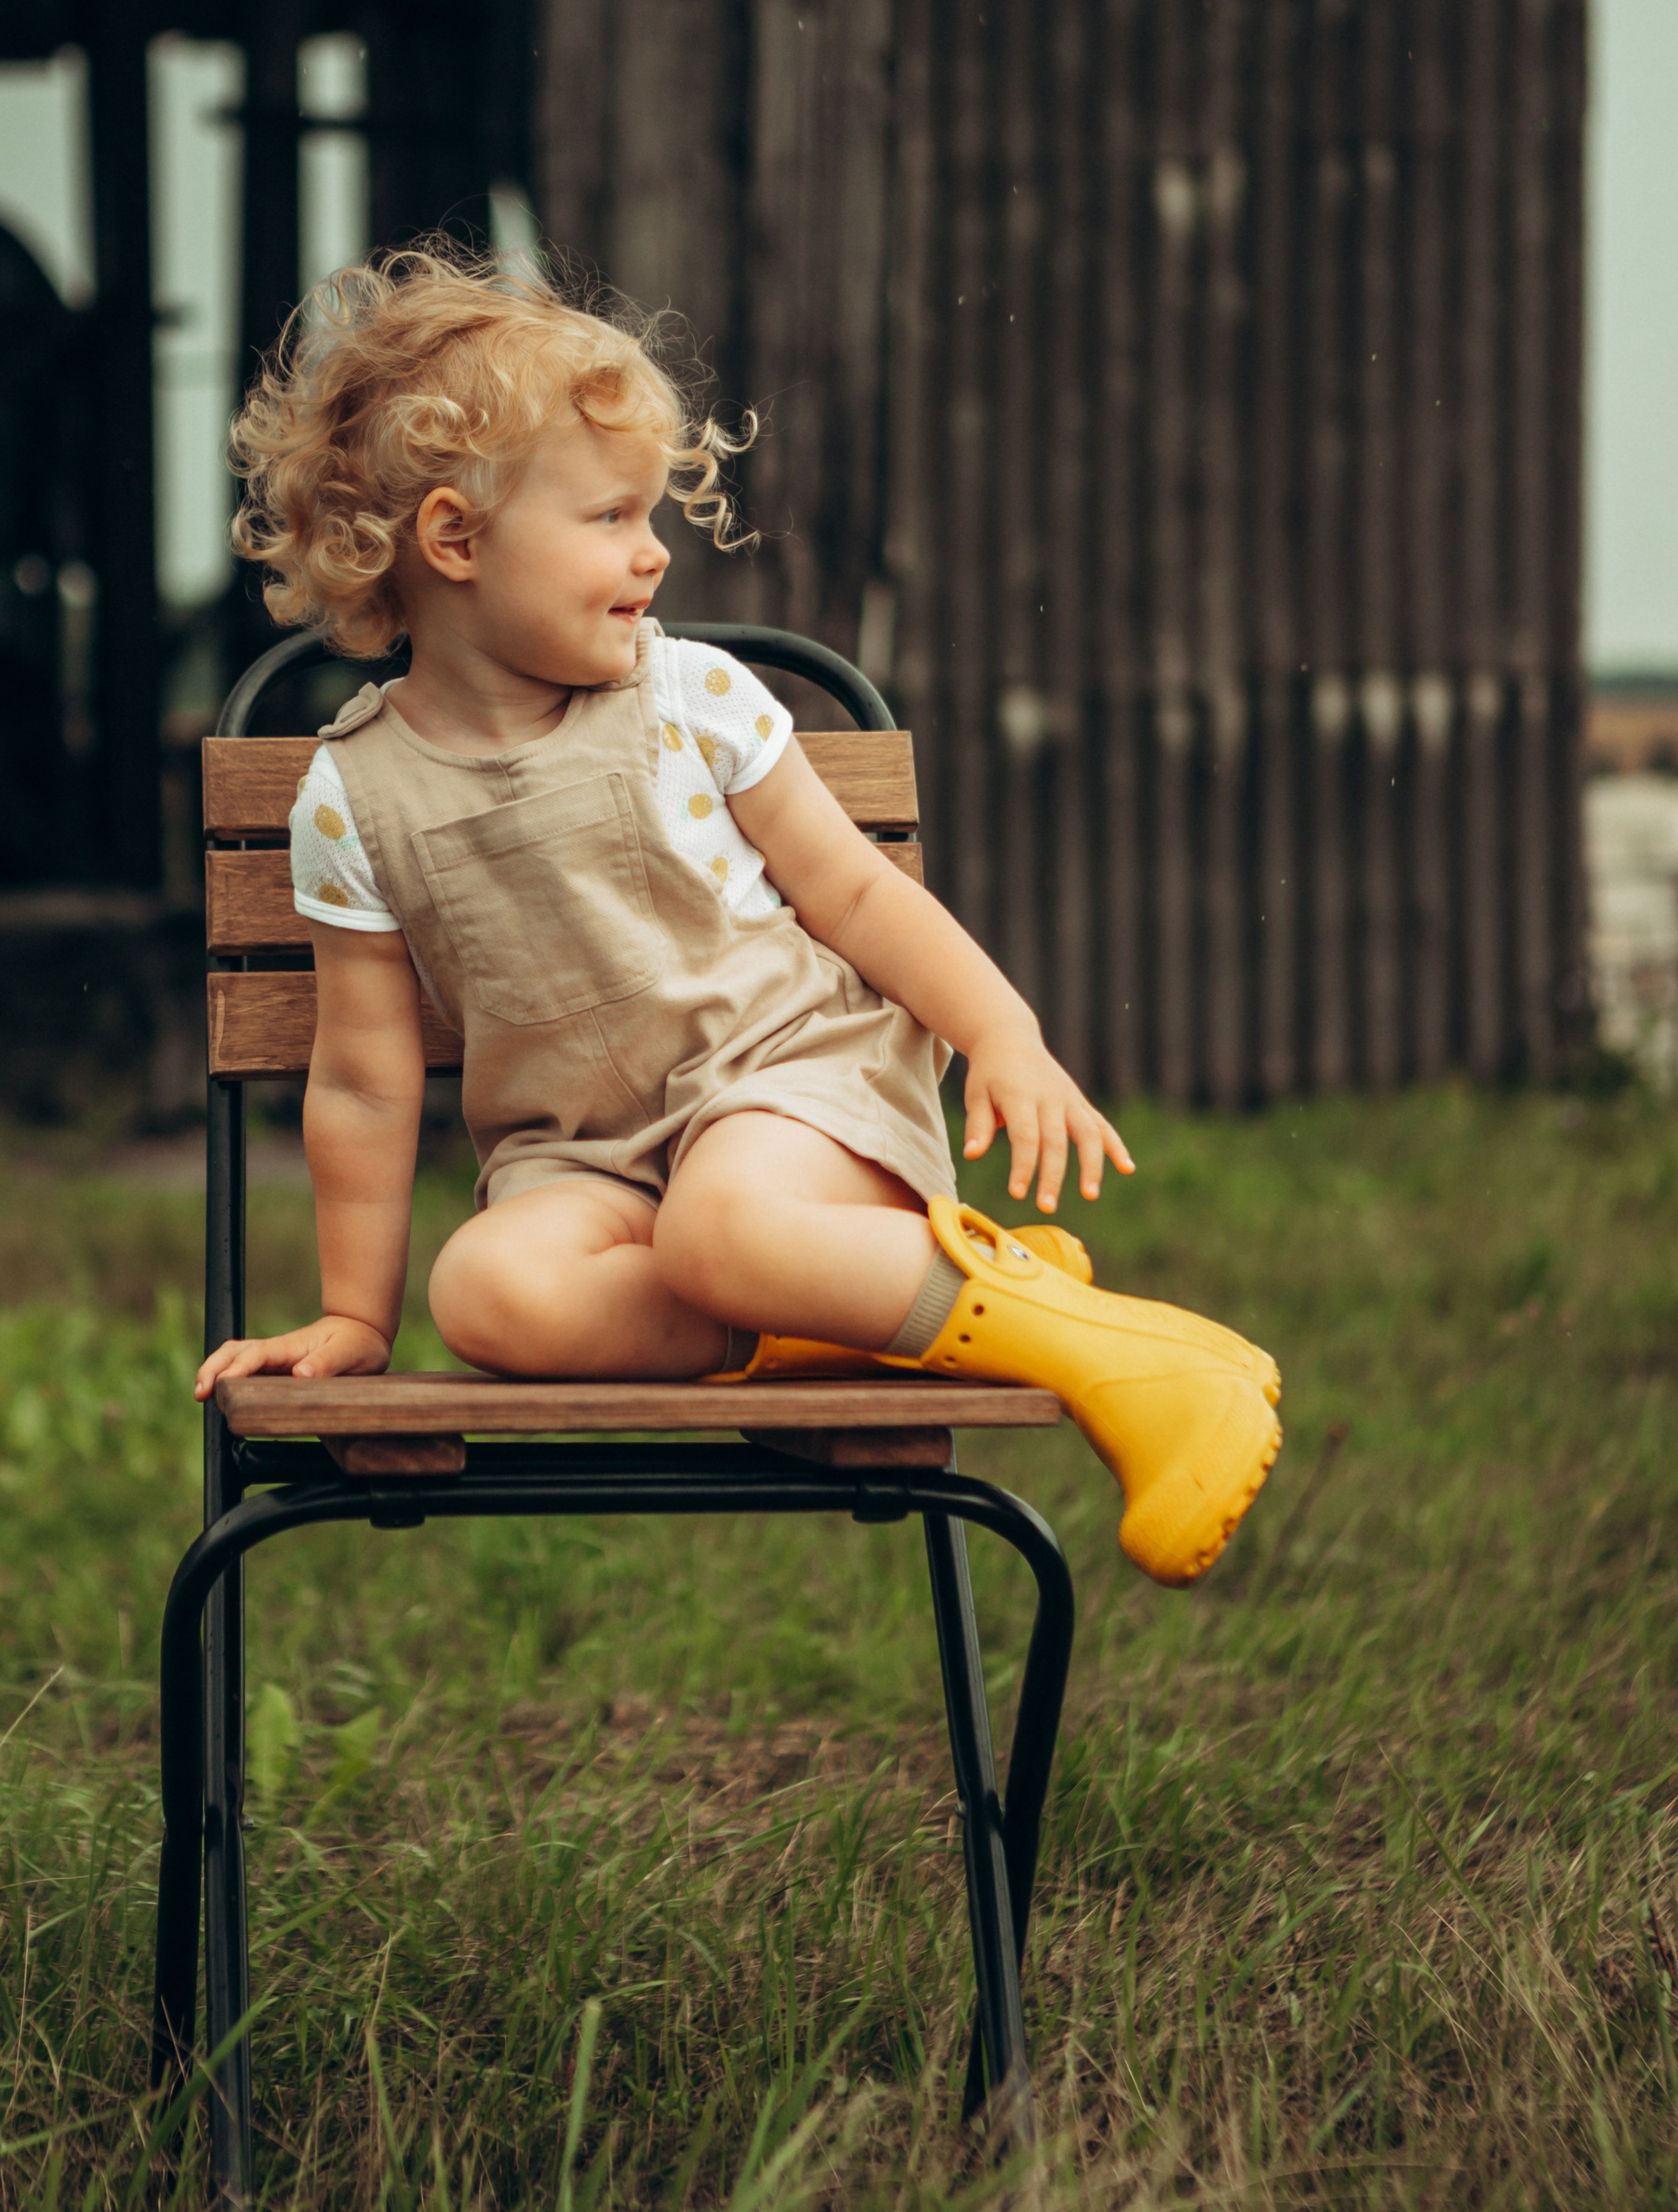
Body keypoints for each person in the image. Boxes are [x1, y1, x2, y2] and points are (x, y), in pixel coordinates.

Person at [195, 248, 1280, 1586]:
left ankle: (1137, 1356)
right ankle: (850, 1297)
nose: (654, 551)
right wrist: (357, 1316)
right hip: (585, 1160)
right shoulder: (352, 796)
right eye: (608, 519)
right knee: (487, 1292)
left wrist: (1001, 1033)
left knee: (726, 1225)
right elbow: (362, 1077)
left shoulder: (689, 701)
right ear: (456, 541)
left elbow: (859, 892)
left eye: (652, 513)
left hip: (788, 1093)